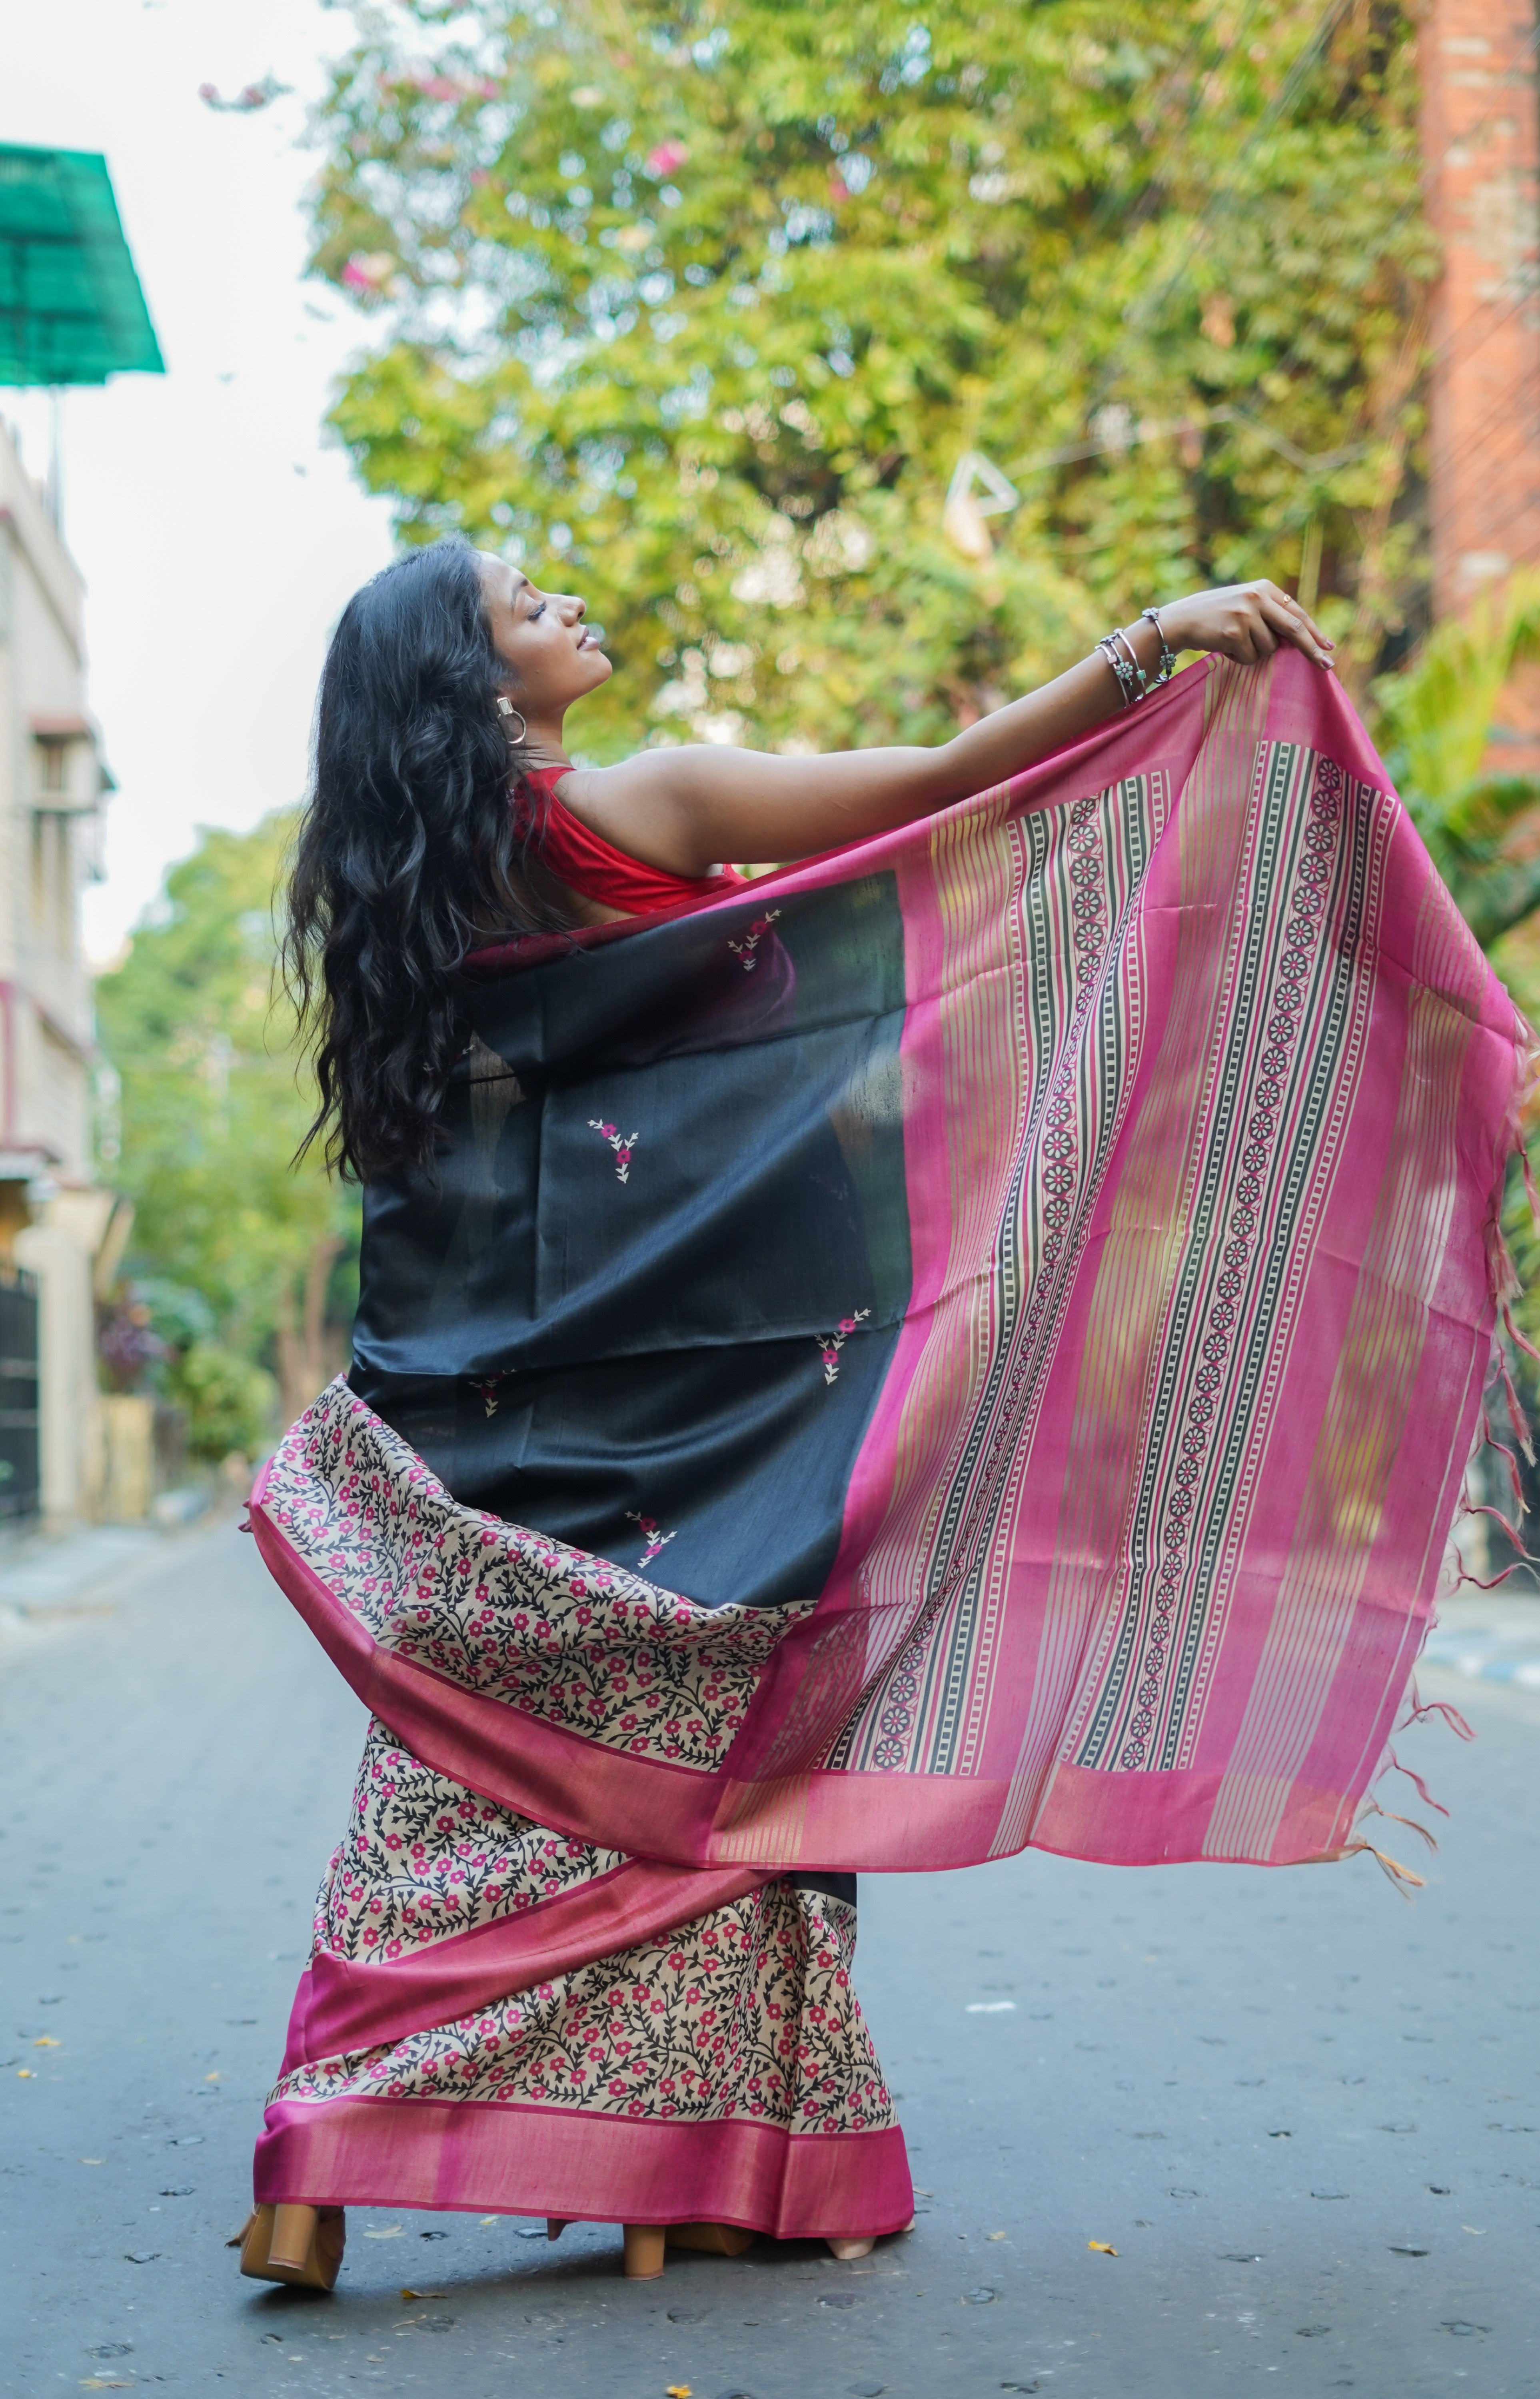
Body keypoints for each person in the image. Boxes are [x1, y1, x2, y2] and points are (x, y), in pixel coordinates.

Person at [234, 540, 1334, 2291]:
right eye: (528, 608)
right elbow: (944, 785)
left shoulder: (418, 910)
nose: (569, 608)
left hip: (518, 1399)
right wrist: (1149, 644)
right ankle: (723, 2161)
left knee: (469, 1762)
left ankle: (323, 2155)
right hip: (740, 1385)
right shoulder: (644, 804)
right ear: (472, 683)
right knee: (742, 1753)